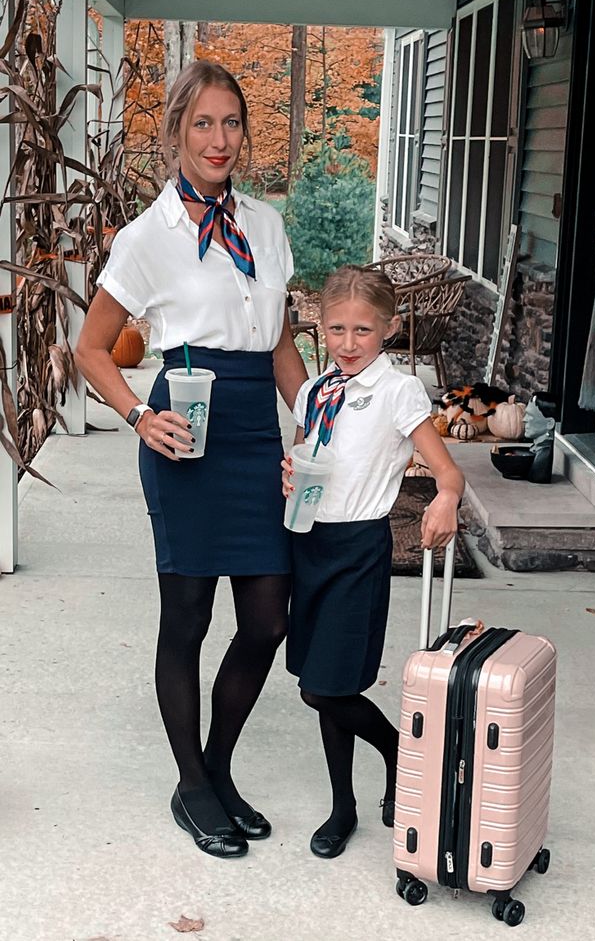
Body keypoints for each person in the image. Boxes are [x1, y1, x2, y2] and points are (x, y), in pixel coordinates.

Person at [76, 60, 307, 859]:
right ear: (176, 130)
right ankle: (193, 784)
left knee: (269, 615)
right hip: (187, 436)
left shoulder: (267, 226)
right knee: (188, 618)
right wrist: (141, 415)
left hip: (254, 436)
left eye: (231, 122)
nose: (219, 138)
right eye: (203, 123)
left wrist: (314, 426)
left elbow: (278, 340)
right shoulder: (148, 238)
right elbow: (91, 348)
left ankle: (213, 770)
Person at [281, 265, 465, 859]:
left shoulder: (397, 391)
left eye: (363, 330)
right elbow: (314, 461)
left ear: (387, 329)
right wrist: (293, 475)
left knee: (327, 687)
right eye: (336, 328)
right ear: (320, 326)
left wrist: (446, 498)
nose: (348, 342)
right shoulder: (314, 392)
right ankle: (345, 806)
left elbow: (448, 469)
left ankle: (394, 752)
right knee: (318, 686)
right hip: (308, 542)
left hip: (358, 550)